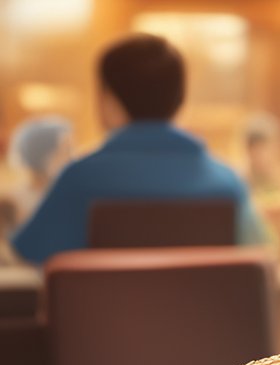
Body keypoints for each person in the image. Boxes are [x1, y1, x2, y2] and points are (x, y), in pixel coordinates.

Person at [10, 34, 264, 265]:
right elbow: (259, 254)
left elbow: (26, 256)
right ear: (180, 99)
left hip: (102, 317)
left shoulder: (81, 180)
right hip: (203, 317)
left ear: (108, 100)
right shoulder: (227, 184)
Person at [7, 115, 73, 225]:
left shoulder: (67, 195)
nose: (71, 157)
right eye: (65, 150)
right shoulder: (13, 203)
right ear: (42, 154)